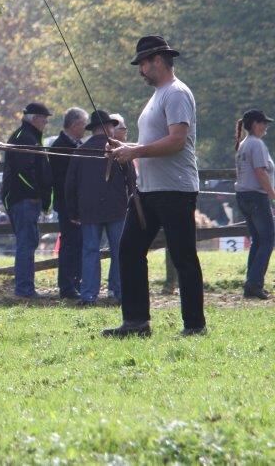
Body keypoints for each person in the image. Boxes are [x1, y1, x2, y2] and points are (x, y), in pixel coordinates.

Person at [104, 36, 206, 337]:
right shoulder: (158, 96)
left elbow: (176, 141)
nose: (141, 71)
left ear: (158, 60)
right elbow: (153, 143)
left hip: (175, 189)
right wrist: (128, 146)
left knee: (183, 256)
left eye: (143, 64)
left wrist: (134, 152)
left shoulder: (176, 93)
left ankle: (195, 325)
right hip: (149, 190)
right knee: (129, 250)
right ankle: (136, 322)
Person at [65, 110, 128, 305]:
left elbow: (70, 185)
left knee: (90, 251)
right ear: (108, 128)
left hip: (89, 210)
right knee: (119, 251)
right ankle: (117, 292)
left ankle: (89, 295)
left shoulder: (80, 151)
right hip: (116, 209)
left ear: (93, 129)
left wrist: (73, 211)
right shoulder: (119, 151)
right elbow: (131, 180)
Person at [2, 102, 54, 298]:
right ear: (34, 119)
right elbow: (23, 172)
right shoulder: (24, 138)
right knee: (26, 244)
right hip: (24, 199)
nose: (46, 122)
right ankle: (24, 289)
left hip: (27, 199)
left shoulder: (29, 137)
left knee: (28, 243)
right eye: (44, 119)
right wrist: (37, 192)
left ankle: (26, 288)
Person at [234, 109, 275, 299]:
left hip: (243, 196)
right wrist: (272, 194)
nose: (265, 126)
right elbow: (261, 172)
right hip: (256, 197)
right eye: (262, 122)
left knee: (258, 240)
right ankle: (254, 283)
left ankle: (251, 282)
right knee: (268, 239)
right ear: (254, 125)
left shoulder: (243, 144)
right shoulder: (256, 144)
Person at [49, 107, 89, 299]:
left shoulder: (75, 145)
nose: (85, 128)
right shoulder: (60, 147)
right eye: (83, 123)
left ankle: (76, 281)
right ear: (75, 124)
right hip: (68, 205)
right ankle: (67, 285)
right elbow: (64, 181)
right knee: (69, 245)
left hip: (76, 205)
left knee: (78, 244)